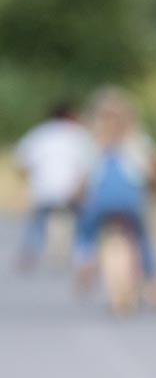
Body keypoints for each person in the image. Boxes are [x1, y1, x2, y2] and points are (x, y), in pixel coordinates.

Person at [73, 88, 156, 301]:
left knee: (85, 230)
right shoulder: (137, 140)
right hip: (131, 200)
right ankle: (153, 281)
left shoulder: (92, 141)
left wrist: (77, 196)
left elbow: (83, 177)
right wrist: (155, 188)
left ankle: (85, 260)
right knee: (143, 237)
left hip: (99, 201)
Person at [12, 102, 95, 270]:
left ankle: (29, 254)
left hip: (43, 189)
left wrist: (31, 179)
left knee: (37, 222)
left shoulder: (40, 132)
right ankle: (82, 255)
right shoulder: (79, 135)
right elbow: (90, 166)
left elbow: (20, 162)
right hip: (70, 189)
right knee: (82, 221)